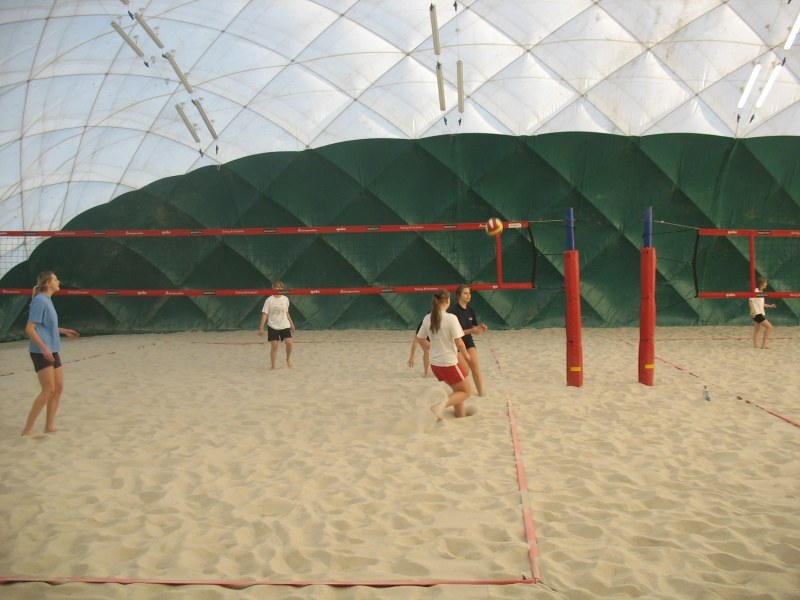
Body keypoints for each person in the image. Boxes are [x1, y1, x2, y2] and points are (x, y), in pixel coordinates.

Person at [22, 271, 79, 436]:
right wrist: (44, 348)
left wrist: (63, 331)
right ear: (48, 283)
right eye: (55, 279)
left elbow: (45, 326)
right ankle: (27, 429)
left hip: (52, 349)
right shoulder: (40, 300)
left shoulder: (47, 300)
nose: (58, 281)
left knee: (58, 388)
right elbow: (30, 329)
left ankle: (49, 426)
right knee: (48, 389)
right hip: (41, 351)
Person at [417, 289, 472, 421]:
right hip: (448, 363)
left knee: (457, 390)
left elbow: (420, 338)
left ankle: (460, 416)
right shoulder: (451, 318)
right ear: (448, 301)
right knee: (466, 391)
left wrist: (433, 349)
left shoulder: (427, 318)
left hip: (435, 364)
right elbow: (459, 342)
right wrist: (466, 355)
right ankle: (438, 407)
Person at [448, 284, 488, 396]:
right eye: (465, 293)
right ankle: (460, 391)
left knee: (475, 365)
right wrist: (472, 331)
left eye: (469, 293)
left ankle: (481, 394)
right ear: (458, 296)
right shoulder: (453, 311)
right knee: (465, 369)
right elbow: (455, 333)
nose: (468, 295)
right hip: (456, 342)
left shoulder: (470, 310)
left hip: (468, 340)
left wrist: (480, 328)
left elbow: (473, 327)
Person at [259, 281, 295, 368]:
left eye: (280, 287)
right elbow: (265, 314)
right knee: (274, 346)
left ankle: (288, 359)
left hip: (284, 325)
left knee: (289, 343)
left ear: (282, 288)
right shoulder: (269, 300)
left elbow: (286, 312)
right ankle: (273, 366)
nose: (278, 288)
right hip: (273, 326)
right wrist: (261, 327)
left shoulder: (285, 299)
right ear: (273, 288)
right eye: (277, 287)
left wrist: (291, 323)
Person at [748, 276, 776, 349]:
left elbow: (762, 304)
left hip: (759, 313)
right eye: (765, 282)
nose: (766, 284)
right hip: (757, 314)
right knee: (769, 327)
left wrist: (770, 306)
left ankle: (755, 346)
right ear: (762, 283)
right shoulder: (755, 291)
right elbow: (750, 301)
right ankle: (763, 345)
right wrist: (753, 312)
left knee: (757, 330)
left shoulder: (761, 293)